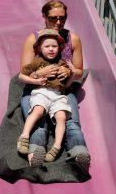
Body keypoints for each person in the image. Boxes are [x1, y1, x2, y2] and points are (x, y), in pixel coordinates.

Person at [19, 0, 90, 171]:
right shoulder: (34, 39)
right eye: (53, 18)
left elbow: (79, 70)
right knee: (39, 117)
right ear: (44, 17)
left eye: (62, 18)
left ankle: (78, 151)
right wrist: (39, 75)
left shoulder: (73, 39)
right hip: (36, 88)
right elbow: (23, 72)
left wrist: (70, 72)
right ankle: (35, 151)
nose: (58, 22)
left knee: (70, 119)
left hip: (62, 89)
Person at [18, 29, 74, 163]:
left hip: (58, 95)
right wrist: (36, 80)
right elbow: (21, 75)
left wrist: (71, 73)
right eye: (47, 46)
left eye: (54, 46)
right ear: (40, 48)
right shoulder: (37, 62)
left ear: (59, 48)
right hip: (41, 91)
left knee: (61, 117)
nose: (51, 49)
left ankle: (56, 146)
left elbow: (66, 85)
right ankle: (24, 137)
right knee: (38, 111)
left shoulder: (62, 64)